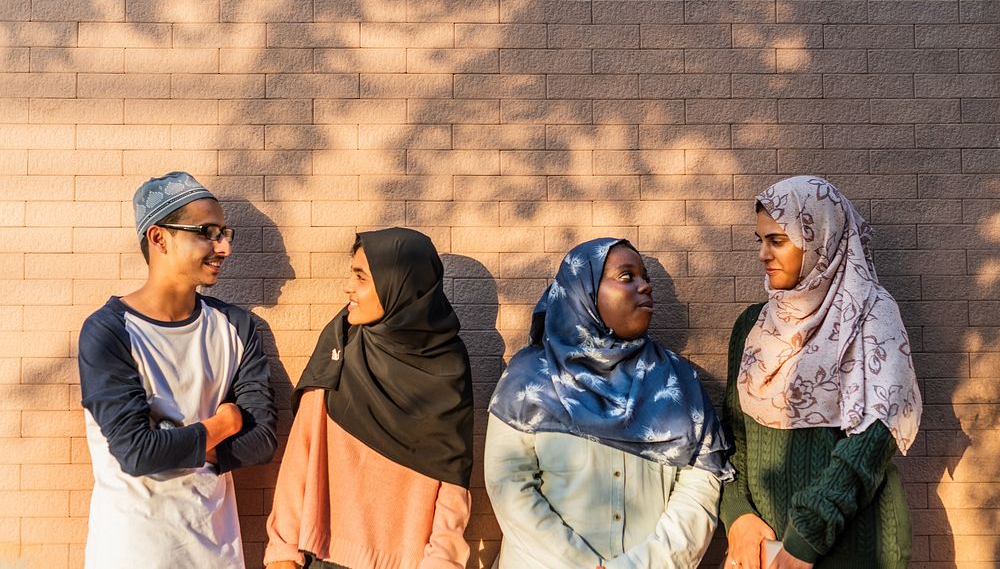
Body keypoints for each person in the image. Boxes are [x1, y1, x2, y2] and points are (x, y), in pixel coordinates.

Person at [485, 238, 731, 569]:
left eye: (646, 278)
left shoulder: (678, 381)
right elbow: (509, 482)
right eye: (627, 277)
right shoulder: (529, 379)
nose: (645, 287)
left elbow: (701, 482)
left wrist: (641, 565)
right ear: (582, 292)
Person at [78, 171, 278, 569]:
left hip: (216, 551)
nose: (224, 248)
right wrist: (222, 424)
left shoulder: (236, 328)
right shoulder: (109, 331)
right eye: (207, 232)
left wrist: (170, 440)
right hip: (133, 550)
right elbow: (136, 453)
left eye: (225, 234)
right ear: (159, 238)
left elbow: (262, 440)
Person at [721, 176, 922, 569]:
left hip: (858, 545)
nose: (763, 254)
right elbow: (732, 435)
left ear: (820, 239)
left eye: (777, 241)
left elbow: (874, 437)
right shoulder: (752, 327)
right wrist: (737, 516)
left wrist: (807, 536)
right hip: (765, 547)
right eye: (759, 240)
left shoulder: (870, 315)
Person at [265, 227, 475, 569]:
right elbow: (301, 452)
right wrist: (282, 552)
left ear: (399, 285)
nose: (347, 286)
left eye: (361, 277)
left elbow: (453, 479)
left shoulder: (447, 366)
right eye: (352, 274)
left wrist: (443, 561)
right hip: (320, 557)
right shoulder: (340, 343)